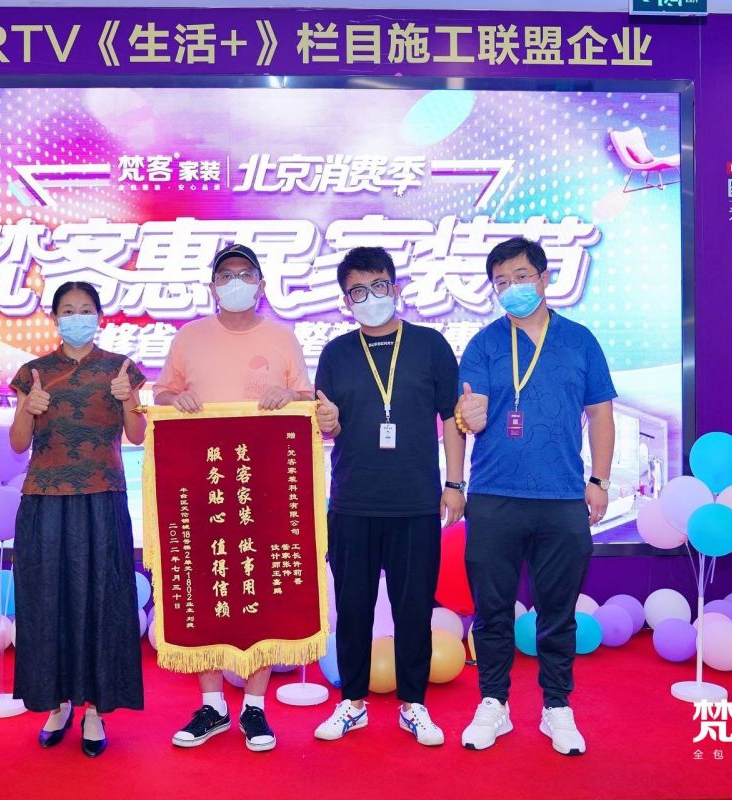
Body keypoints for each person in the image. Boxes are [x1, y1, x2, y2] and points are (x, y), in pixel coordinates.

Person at [454, 237, 616, 756]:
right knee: (492, 609)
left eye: (521, 277)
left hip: (562, 495)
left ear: (544, 279)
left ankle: (557, 706)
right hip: (494, 494)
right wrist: (468, 416)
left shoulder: (579, 340)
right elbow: (468, 411)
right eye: (501, 282)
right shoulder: (484, 344)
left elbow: (600, 414)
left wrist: (600, 481)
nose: (512, 288)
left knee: (558, 610)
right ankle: (493, 703)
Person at [154, 243, 312, 753]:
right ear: (213, 286)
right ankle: (213, 705)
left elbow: (306, 400)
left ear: (261, 285)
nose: (236, 282)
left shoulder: (282, 338)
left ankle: (255, 707)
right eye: (226, 274)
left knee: (261, 587)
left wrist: (290, 397)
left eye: (246, 274)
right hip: (202, 485)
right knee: (205, 585)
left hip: (264, 485)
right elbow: (161, 394)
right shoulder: (189, 337)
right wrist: (176, 399)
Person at [310, 247, 465, 747]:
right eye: (357, 291)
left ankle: (413, 704)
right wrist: (327, 424)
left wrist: (455, 483)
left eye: (378, 285)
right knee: (353, 608)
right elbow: (328, 425)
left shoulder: (429, 345)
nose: (370, 297)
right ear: (346, 300)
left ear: (394, 287)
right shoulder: (336, 353)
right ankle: (352, 702)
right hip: (352, 502)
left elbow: (452, 418)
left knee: (413, 608)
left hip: (416, 502)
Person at [8, 280, 146, 758]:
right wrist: (29, 409)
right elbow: (17, 444)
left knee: (101, 602)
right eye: (68, 310)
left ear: (99, 316)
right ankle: (57, 703)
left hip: (102, 498)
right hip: (45, 499)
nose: (77, 317)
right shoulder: (34, 372)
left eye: (85, 309)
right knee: (49, 602)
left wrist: (127, 399)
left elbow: (137, 435)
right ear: (55, 318)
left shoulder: (120, 368)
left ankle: (93, 710)